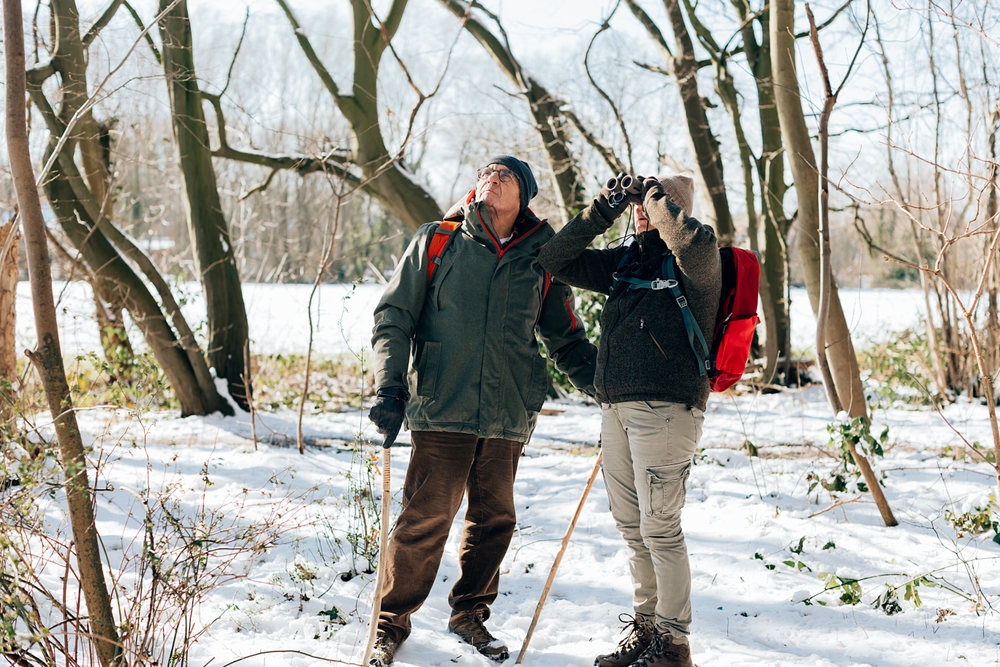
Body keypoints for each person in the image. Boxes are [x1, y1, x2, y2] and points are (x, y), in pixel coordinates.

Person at [367, 155, 597, 666]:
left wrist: (605, 387)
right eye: (486, 174)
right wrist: (389, 388)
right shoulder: (438, 240)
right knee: (425, 519)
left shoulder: (543, 255)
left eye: (505, 175)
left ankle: (469, 614)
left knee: (494, 520)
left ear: (525, 195)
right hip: (442, 404)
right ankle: (388, 624)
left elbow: (565, 337)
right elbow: (394, 315)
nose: (491, 179)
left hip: (508, 410)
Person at [538, 174, 720, 667]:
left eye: (654, 204)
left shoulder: (698, 262)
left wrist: (655, 196)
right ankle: (648, 630)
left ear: (677, 210)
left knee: (660, 528)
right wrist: (605, 207)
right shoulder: (624, 262)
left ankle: (674, 645)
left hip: (667, 410)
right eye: (639, 205)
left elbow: (691, 242)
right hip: (615, 410)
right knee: (632, 528)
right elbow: (554, 259)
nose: (642, 211)